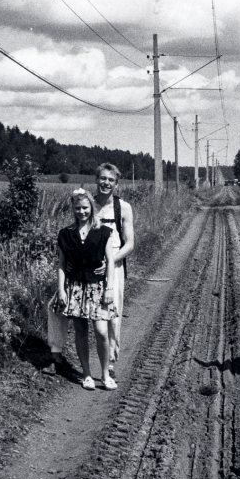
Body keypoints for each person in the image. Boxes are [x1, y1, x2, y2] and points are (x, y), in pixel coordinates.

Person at [55, 189, 118, 390]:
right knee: (80, 331)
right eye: (78, 208)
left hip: (98, 287)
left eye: (85, 207)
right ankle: (87, 374)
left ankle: (105, 374)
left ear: (92, 207)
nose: (82, 211)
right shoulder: (66, 234)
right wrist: (61, 290)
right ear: (73, 209)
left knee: (101, 331)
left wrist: (109, 288)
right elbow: (61, 264)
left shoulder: (103, 231)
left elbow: (110, 261)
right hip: (75, 287)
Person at [93, 163, 134, 380]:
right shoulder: (88, 205)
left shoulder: (123, 208)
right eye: (102, 178)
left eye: (110, 180)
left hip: (114, 265)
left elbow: (130, 243)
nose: (106, 183)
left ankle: (110, 361)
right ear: (96, 180)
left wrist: (110, 262)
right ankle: (58, 355)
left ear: (116, 184)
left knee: (113, 312)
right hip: (89, 266)